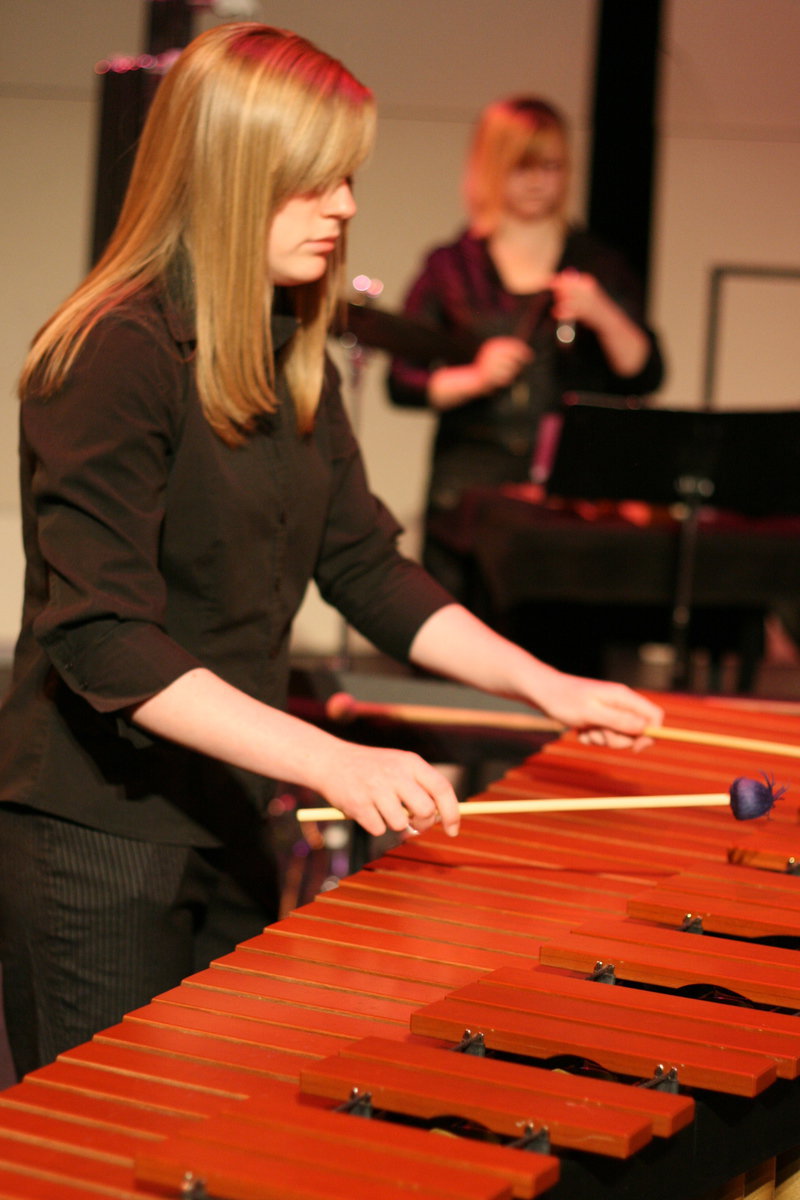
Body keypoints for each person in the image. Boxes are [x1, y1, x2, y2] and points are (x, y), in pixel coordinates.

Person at [0, 25, 663, 1082]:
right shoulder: (109, 354)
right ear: (228, 180)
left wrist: (543, 688)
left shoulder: (288, 346)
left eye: (345, 177)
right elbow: (103, 640)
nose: (346, 206)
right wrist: (329, 760)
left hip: (230, 808)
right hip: (99, 840)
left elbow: (361, 565)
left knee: (228, 1127)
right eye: (314, 182)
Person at [387, 96, 665, 599]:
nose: (537, 181)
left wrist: (602, 312)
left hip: (565, 498)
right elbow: (402, 381)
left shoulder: (596, 263)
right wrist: (475, 377)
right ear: (494, 169)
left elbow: (645, 373)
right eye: (522, 167)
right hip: (468, 494)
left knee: (561, 640)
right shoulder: (453, 267)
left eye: (551, 167)